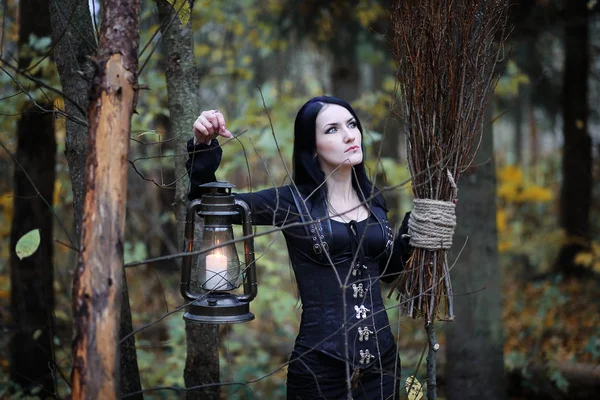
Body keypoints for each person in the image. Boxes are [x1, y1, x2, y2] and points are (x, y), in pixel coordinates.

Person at [187, 96, 412, 399]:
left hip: (382, 367)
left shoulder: (374, 200)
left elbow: (387, 274)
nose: (349, 135)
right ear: (311, 146)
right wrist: (204, 147)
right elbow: (208, 207)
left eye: (352, 124)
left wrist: (416, 229)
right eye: (332, 129)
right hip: (320, 370)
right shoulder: (291, 203)